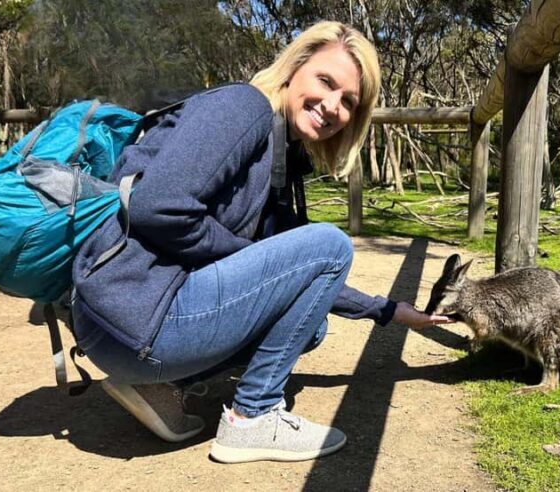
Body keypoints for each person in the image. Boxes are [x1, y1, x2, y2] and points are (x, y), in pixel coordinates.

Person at [71, 20, 450, 464]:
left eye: (348, 101)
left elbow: (298, 275)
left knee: (313, 325)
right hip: (133, 318)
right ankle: (253, 419)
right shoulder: (243, 106)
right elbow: (157, 206)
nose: (331, 106)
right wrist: (242, 253)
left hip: (124, 330)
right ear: (294, 69)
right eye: (325, 82)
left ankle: (157, 385)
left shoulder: (278, 159)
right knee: (332, 244)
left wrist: (386, 311)